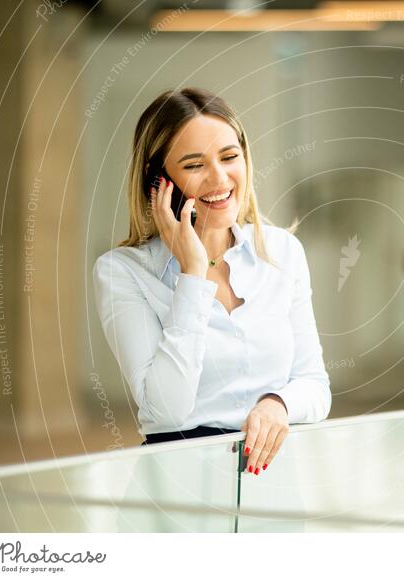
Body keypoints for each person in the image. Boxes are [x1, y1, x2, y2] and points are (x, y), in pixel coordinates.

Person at [93, 88, 331, 475]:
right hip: (181, 482)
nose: (219, 178)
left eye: (229, 157)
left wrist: (278, 403)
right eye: (194, 165)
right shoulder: (123, 272)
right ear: (158, 183)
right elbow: (167, 412)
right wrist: (192, 274)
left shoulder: (283, 253)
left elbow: (315, 386)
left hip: (275, 480)